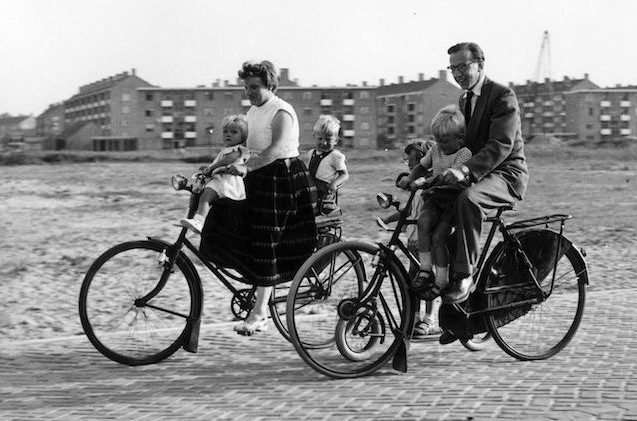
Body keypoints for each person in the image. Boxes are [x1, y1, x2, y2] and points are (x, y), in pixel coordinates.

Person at [201, 60, 317, 335]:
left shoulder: (281, 111)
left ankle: (261, 312)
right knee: (234, 223)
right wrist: (217, 167)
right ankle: (253, 288)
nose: (249, 92)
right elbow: (242, 148)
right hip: (259, 179)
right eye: (246, 87)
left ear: (271, 85)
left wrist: (246, 167)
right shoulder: (253, 112)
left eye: (254, 87)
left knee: (267, 242)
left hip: (284, 181)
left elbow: (276, 149)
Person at [437, 42, 529, 319]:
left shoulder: (502, 96)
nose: (458, 73)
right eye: (453, 68)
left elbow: (500, 144)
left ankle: (465, 276)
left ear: (480, 65)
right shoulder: (464, 100)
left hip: (507, 173)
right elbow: (458, 139)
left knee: (469, 200)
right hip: (482, 173)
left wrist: (464, 171)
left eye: (463, 67)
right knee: (434, 198)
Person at [398, 107, 472, 310]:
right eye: (437, 140)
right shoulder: (436, 150)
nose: (440, 145)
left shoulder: (464, 153)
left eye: (445, 141)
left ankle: (441, 280)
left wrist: (425, 180)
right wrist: (409, 178)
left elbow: (447, 176)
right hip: (436, 198)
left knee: (439, 236)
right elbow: (421, 166)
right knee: (422, 222)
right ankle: (425, 270)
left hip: (452, 201)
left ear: (460, 137)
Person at [377, 138, 443, 337]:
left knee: (428, 281)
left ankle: (429, 320)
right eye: (408, 161)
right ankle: (413, 317)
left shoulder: (427, 186)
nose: (410, 165)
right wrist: (388, 219)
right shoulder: (416, 188)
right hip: (413, 242)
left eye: (413, 161)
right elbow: (407, 212)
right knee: (413, 282)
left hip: (427, 243)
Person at [179, 115, 250, 234]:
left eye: (234, 132)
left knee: (206, 196)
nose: (228, 134)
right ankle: (191, 217)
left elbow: (227, 160)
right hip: (220, 181)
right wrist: (206, 169)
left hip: (228, 183)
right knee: (197, 193)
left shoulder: (238, 149)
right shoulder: (225, 150)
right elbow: (218, 162)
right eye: (225, 132)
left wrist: (212, 168)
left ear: (242, 136)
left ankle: (200, 222)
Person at [307, 115, 349, 215]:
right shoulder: (311, 153)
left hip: (324, 197)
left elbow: (345, 175)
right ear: (314, 137)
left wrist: (334, 183)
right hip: (311, 191)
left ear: (336, 141)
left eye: (328, 139)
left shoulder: (335, 156)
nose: (324, 142)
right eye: (320, 138)